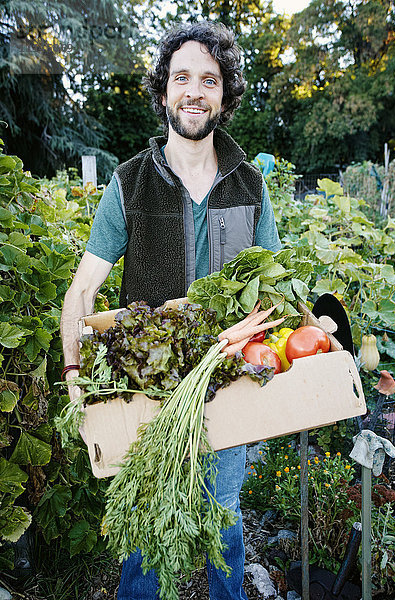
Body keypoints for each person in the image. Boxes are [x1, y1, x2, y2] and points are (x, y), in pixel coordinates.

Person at [60, 20, 281, 600]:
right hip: (151, 387)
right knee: (147, 538)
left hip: (229, 380)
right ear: (163, 92)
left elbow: (277, 291)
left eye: (209, 80)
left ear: (225, 95)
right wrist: (74, 373)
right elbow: (82, 291)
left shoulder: (250, 186)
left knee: (223, 520)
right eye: (181, 77)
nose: (194, 91)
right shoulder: (130, 183)